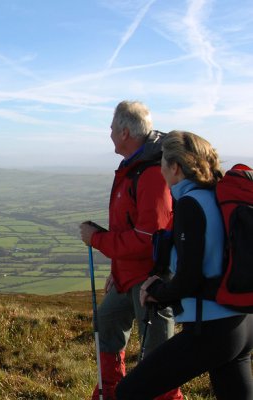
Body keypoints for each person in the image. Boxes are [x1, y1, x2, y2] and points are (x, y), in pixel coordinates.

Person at [115, 131, 253, 399]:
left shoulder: (190, 203)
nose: (161, 169)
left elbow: (190, 278)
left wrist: (157, 293)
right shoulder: (218, 196)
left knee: (129, 392)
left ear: (175, 167)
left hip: (210, 329)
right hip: (243, 324)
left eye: (162, 162)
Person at [79, 101, 182, 400]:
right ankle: (110, 392)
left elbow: (148, 239)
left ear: (125, 132)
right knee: (107, 321)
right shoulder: (132, 169)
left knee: (157, 355)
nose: (109, 133)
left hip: (152, 278)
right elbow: (129, 228)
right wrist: (116, 271)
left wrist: (96, 239)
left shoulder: (150, 174)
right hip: (128, 277)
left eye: (112, 128)